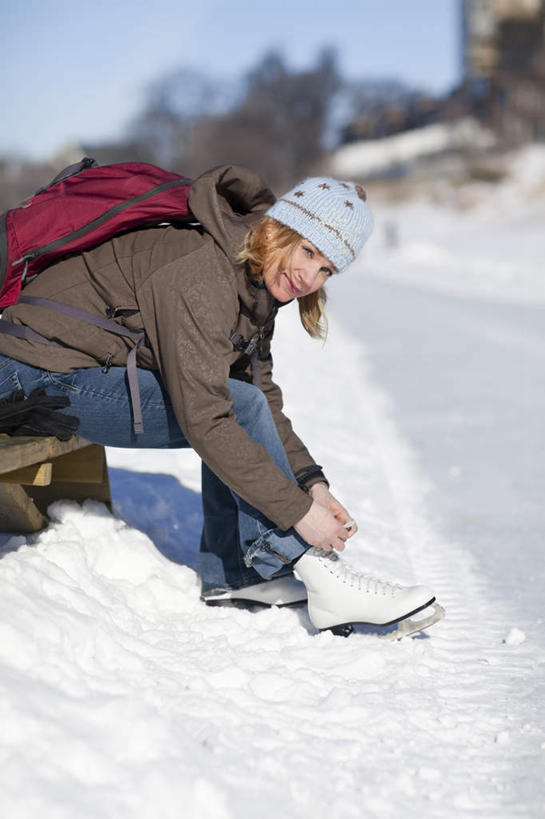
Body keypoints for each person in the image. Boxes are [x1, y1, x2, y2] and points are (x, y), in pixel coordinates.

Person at [0, 165, 439, 636]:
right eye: (309, 251)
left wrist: (311, 484)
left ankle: (236, 573)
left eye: (327, 269)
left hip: (65, 369)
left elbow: (262, 393)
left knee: (245, 402)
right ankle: (305, 567)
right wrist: (298, 517)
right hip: (28, 375)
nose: (310, 276)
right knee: (231, 409)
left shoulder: (254, 283)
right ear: (280, 229)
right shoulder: (201, 273)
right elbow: (207, 417)